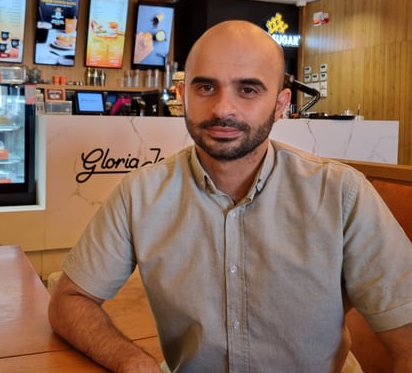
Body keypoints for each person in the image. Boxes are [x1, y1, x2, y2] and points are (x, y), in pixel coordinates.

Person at [48, 20, 412, 372]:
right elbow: (69, 301)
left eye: (248, 90)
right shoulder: (140, 195)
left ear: (281, 104)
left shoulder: (342, 195)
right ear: (182, 96)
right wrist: (133, 362)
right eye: (206, 88)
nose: (223, 109)